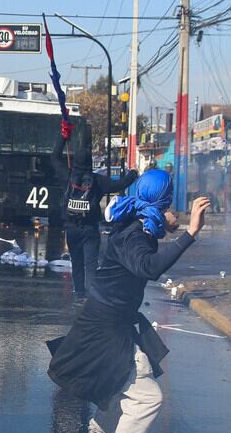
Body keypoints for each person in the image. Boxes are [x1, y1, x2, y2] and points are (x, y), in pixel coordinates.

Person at [47, 170, 210, 433]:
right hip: (105, 327)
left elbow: (146, 244)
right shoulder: (136, 233)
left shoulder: (136, 223)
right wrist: (190, 232)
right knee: (147, 398)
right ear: (162, 202)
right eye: (168, 203)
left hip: (110, 321)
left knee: (117, 389)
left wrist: (165, 225)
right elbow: (148, 266)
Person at [54, 121, 138, 299]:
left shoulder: (67, 177)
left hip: (71, 228)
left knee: (76, 262)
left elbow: (54, 157)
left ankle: (79, 294)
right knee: (91, 263)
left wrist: (63, 137)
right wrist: (133, 174)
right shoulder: (98, 181)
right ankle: (91, 297)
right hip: (90, 229)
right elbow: (121, 184)